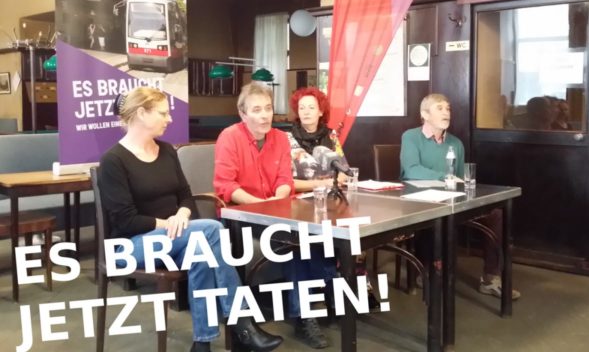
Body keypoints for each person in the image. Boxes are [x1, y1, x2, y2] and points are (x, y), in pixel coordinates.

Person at [99, 87, 283, 352]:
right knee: (212, 229)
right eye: (163, 113)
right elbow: (125, 221)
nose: (169, 119)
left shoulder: (166, 151)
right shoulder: (113, 160)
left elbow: (186, 196)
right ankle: (242, 323)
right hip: (130, 246)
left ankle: (202, 344)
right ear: (141, 114)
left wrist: (181, 214)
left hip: (175, 238)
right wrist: (168, 224)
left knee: (201, 251)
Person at [214, 82, 335, 349]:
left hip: (276, 211)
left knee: (314, 233)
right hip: (241, 217)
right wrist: (260, 205)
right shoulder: (229, 137)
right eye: (256, 110)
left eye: (268, 108)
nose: (264, 115)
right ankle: (304, 316)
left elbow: (284, 180)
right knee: (294, 242)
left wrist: (276, 200)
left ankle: (328, 290)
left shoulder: (280, 138)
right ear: (243, 114)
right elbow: (226, 186)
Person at [400, 93, 520, 300]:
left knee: (496, 214)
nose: (446, 112)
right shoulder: (411, 137)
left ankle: (491, 278)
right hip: (419, 201)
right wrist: (444, 177)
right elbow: (411, 170)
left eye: (448, 108)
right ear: (424, 114)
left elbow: (460, 178)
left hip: (451, 201)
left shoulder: (455, 143)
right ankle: (427, 271)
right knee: (436, 218)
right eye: (439, 108)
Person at [287, 86, 379, 309]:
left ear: (321, 111)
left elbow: (343, 170)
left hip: (331, 199)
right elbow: (288, 182)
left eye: (311, 107)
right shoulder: (287, 139)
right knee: (323, 236)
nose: (306, 112)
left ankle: (357, 289)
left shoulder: (331, 136)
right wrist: (323, 183)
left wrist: (338, 180)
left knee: (353, 232)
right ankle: (332, 289)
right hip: (301, 202)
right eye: (302, 108)